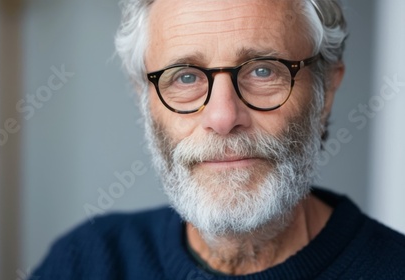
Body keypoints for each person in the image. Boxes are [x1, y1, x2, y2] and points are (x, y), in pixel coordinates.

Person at [32, 0, 405, 279]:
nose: (224, 117)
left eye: (262, 70)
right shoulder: (85, 262)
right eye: (186, 77)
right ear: (143, 99)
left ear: (326, 89)